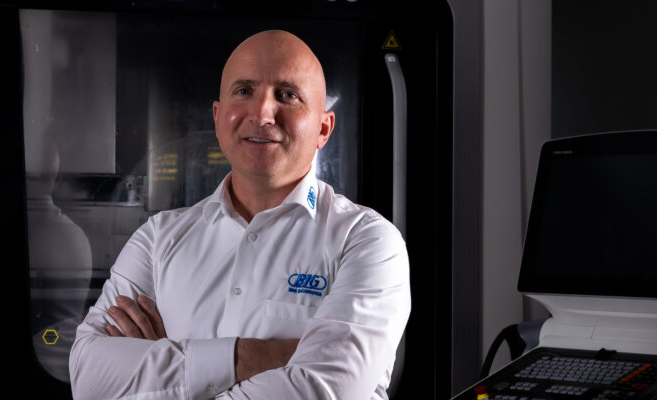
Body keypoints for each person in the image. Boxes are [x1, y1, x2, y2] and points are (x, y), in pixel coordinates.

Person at [69, 30, 410, 399]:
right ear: (218, 118)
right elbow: (89, 379)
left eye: (287, 95)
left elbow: (326, 390)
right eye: (244, 90)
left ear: (323, 128)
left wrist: (167, 369)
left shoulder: (368, 242)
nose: (262, 114)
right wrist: (254, 356)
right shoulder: (157, 239)